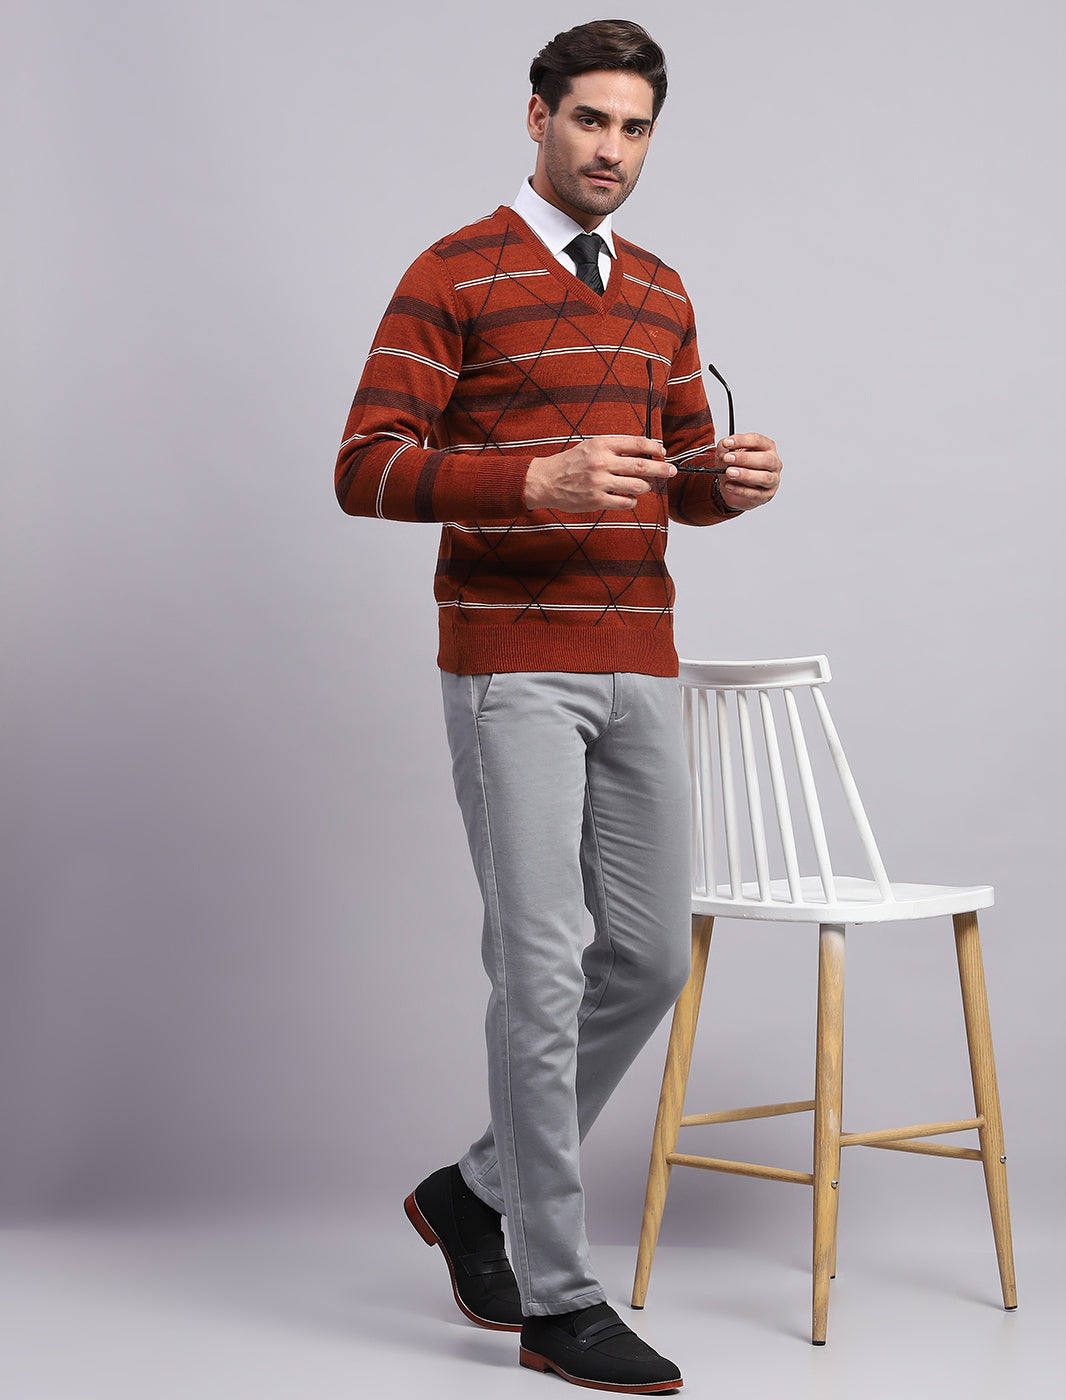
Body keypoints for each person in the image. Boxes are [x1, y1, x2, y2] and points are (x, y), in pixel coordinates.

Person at [335, 20, 782, 1393]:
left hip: (639, 653)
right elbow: (365, 466)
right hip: (510, 662)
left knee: (645, 960)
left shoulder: (659, 288)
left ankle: (474, 1193)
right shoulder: (454, 271)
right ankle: (556, 1298)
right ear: (536, 118)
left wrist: (728, 483)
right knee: (539, 969)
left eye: (635, 129)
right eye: (592, 120)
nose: (613, 150)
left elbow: (678, 477)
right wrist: (526, 481)